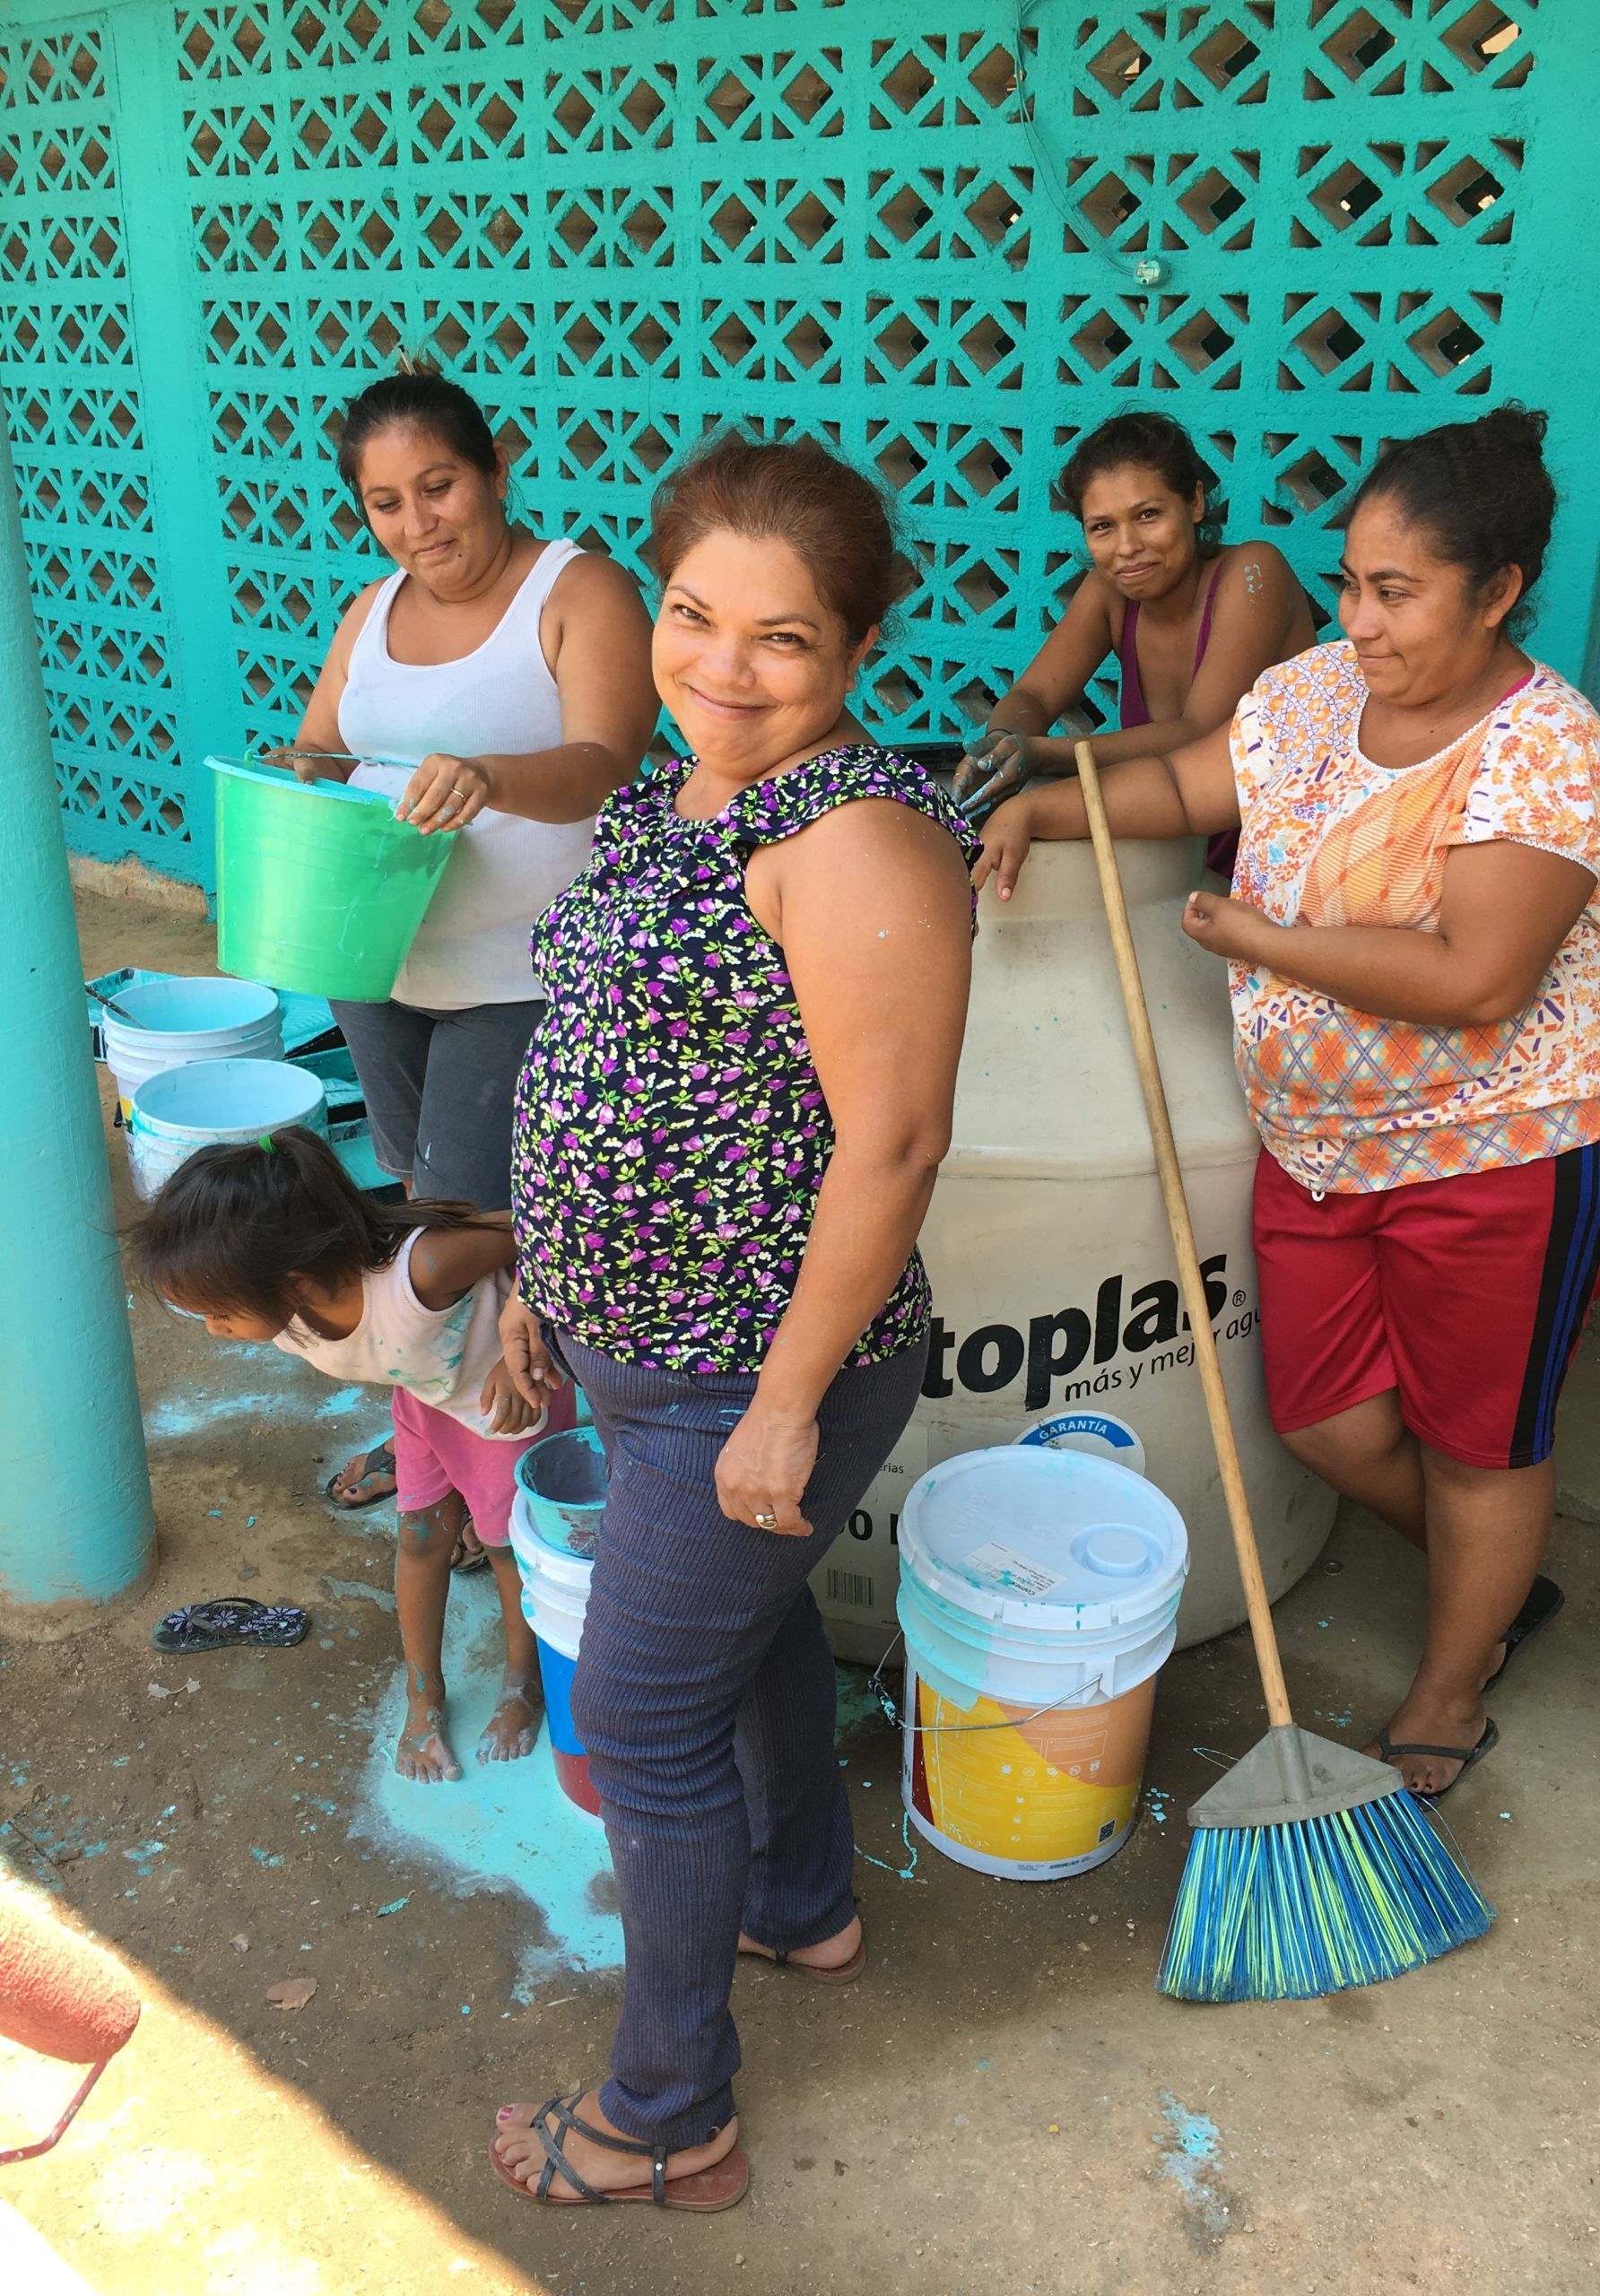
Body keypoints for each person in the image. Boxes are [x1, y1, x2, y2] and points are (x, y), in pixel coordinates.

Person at [976, 404, 1600, 1803]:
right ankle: (1494, 1582)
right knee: (1328, 1420)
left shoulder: (1550, 752)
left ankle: (1453, 1682)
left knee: (1480, 1444)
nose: (1363, 619)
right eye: (1350, 582)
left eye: (1397, 592)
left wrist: (1260, 939)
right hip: (1317, 1149)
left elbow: (1473, 976)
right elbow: (1184, 777)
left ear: (1500, 590)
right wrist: (1056, 804)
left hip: (1506, 1156)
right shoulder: (1311, 692)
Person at [486, 435, 978, 2213]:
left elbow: (897, 1140)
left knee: (640, 1720)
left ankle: (668, 2109)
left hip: (754, 1369)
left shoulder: (856, 836)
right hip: (647, 1345)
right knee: (745, 1648)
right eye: (695, 614)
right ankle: (802, 1907)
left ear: (856, 650)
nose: (720, 665)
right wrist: (544, 1272)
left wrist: (783, 1406)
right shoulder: (667, 794)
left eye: (784, 637)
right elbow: (598, 1053)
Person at [278, 362, 656, 1516]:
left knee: (479, 1223)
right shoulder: (371, 612)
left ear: (499, 466)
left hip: (525, 976)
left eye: (438, 486)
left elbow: (607, 760)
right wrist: (296, 794)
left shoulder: (577, 590)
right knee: (418, 1218)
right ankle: (444, 1436)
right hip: (384, 966)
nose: (417, 524)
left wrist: (486, 778)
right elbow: (317, 756)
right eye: (386, 503)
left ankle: (531, 1465)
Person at [132, 1127, 580, 1783]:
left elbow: (549, 1231)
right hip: (427, 1402)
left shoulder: (422, 1272)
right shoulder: (293, 1307)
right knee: (421, 1539)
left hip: (508, 1404)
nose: (211, 1330)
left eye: (218, 1313)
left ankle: (523, 1683)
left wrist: (529, 1341)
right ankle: (425, 1694)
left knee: (507, 1550)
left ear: (297, 1283)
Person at [953, 410, 1316, 873]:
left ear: (1196, 503)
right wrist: (1004, 743)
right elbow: (1034, 694)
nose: (1126, 547)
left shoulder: (1253, 574)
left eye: (1147, 515)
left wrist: (1041, 753)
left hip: (1271, 861)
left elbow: (1198, 733)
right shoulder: (1111, 591)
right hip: (1163, 856)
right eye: (1102, 526)